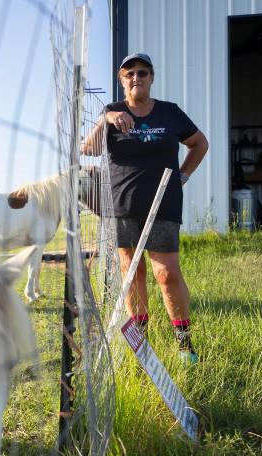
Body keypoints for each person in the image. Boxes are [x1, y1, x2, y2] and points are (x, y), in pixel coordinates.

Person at [83, 52, 208, 364]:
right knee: (132, 272)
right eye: (129, 74)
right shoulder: (112, 112)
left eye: (142, 72)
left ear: (151, 77)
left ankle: (184, 345)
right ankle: (141, 348)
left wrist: (183, 175)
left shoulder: (169, 113)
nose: (135, 78)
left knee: (166, 274)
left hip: (163, 205)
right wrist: (106, 118)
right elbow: (89, 148)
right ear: (121, 79)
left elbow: (199, 144)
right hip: (121, 206)